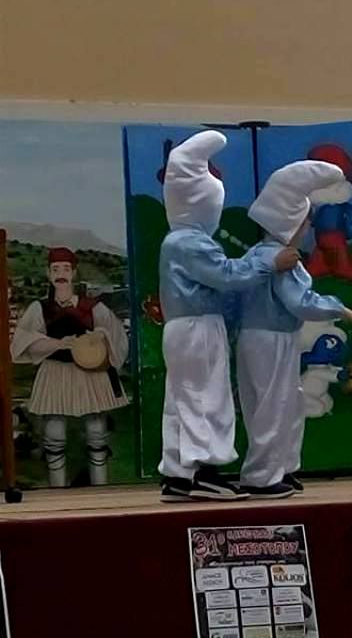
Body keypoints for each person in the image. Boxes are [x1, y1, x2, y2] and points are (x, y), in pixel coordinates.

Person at [158, 130, 300, 503]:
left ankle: (178, 474)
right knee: (207, 395)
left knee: (182, 397)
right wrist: (270, 262)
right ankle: (205, 471)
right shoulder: (192, 242)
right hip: (199, 326)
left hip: (181, 327)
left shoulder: (174, 241)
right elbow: (228, 275)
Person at [236, 160, 352, 499]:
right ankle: (262, 475)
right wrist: (338, 308)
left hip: (262, 337)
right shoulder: (283, 259)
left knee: (282, 401)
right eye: (305, 220)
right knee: (274, 404)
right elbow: (299, 301)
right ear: (289, 221)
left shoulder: (258, 254)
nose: (308, 226)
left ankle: (280, 467)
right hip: (272, 338)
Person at [10, 247, 129, 487]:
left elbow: (115, 335)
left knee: (97, 433)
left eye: (65, 269)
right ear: (48, 274)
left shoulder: (93, 307)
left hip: (91, 373)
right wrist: (58, 343)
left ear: (73, 273)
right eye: (55, 269)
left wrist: (100, 336)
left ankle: (101, 491)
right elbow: (23, 342)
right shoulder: (39, 309)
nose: (61, 274)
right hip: (55, 371)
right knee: (54, 435)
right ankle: (58, 491)